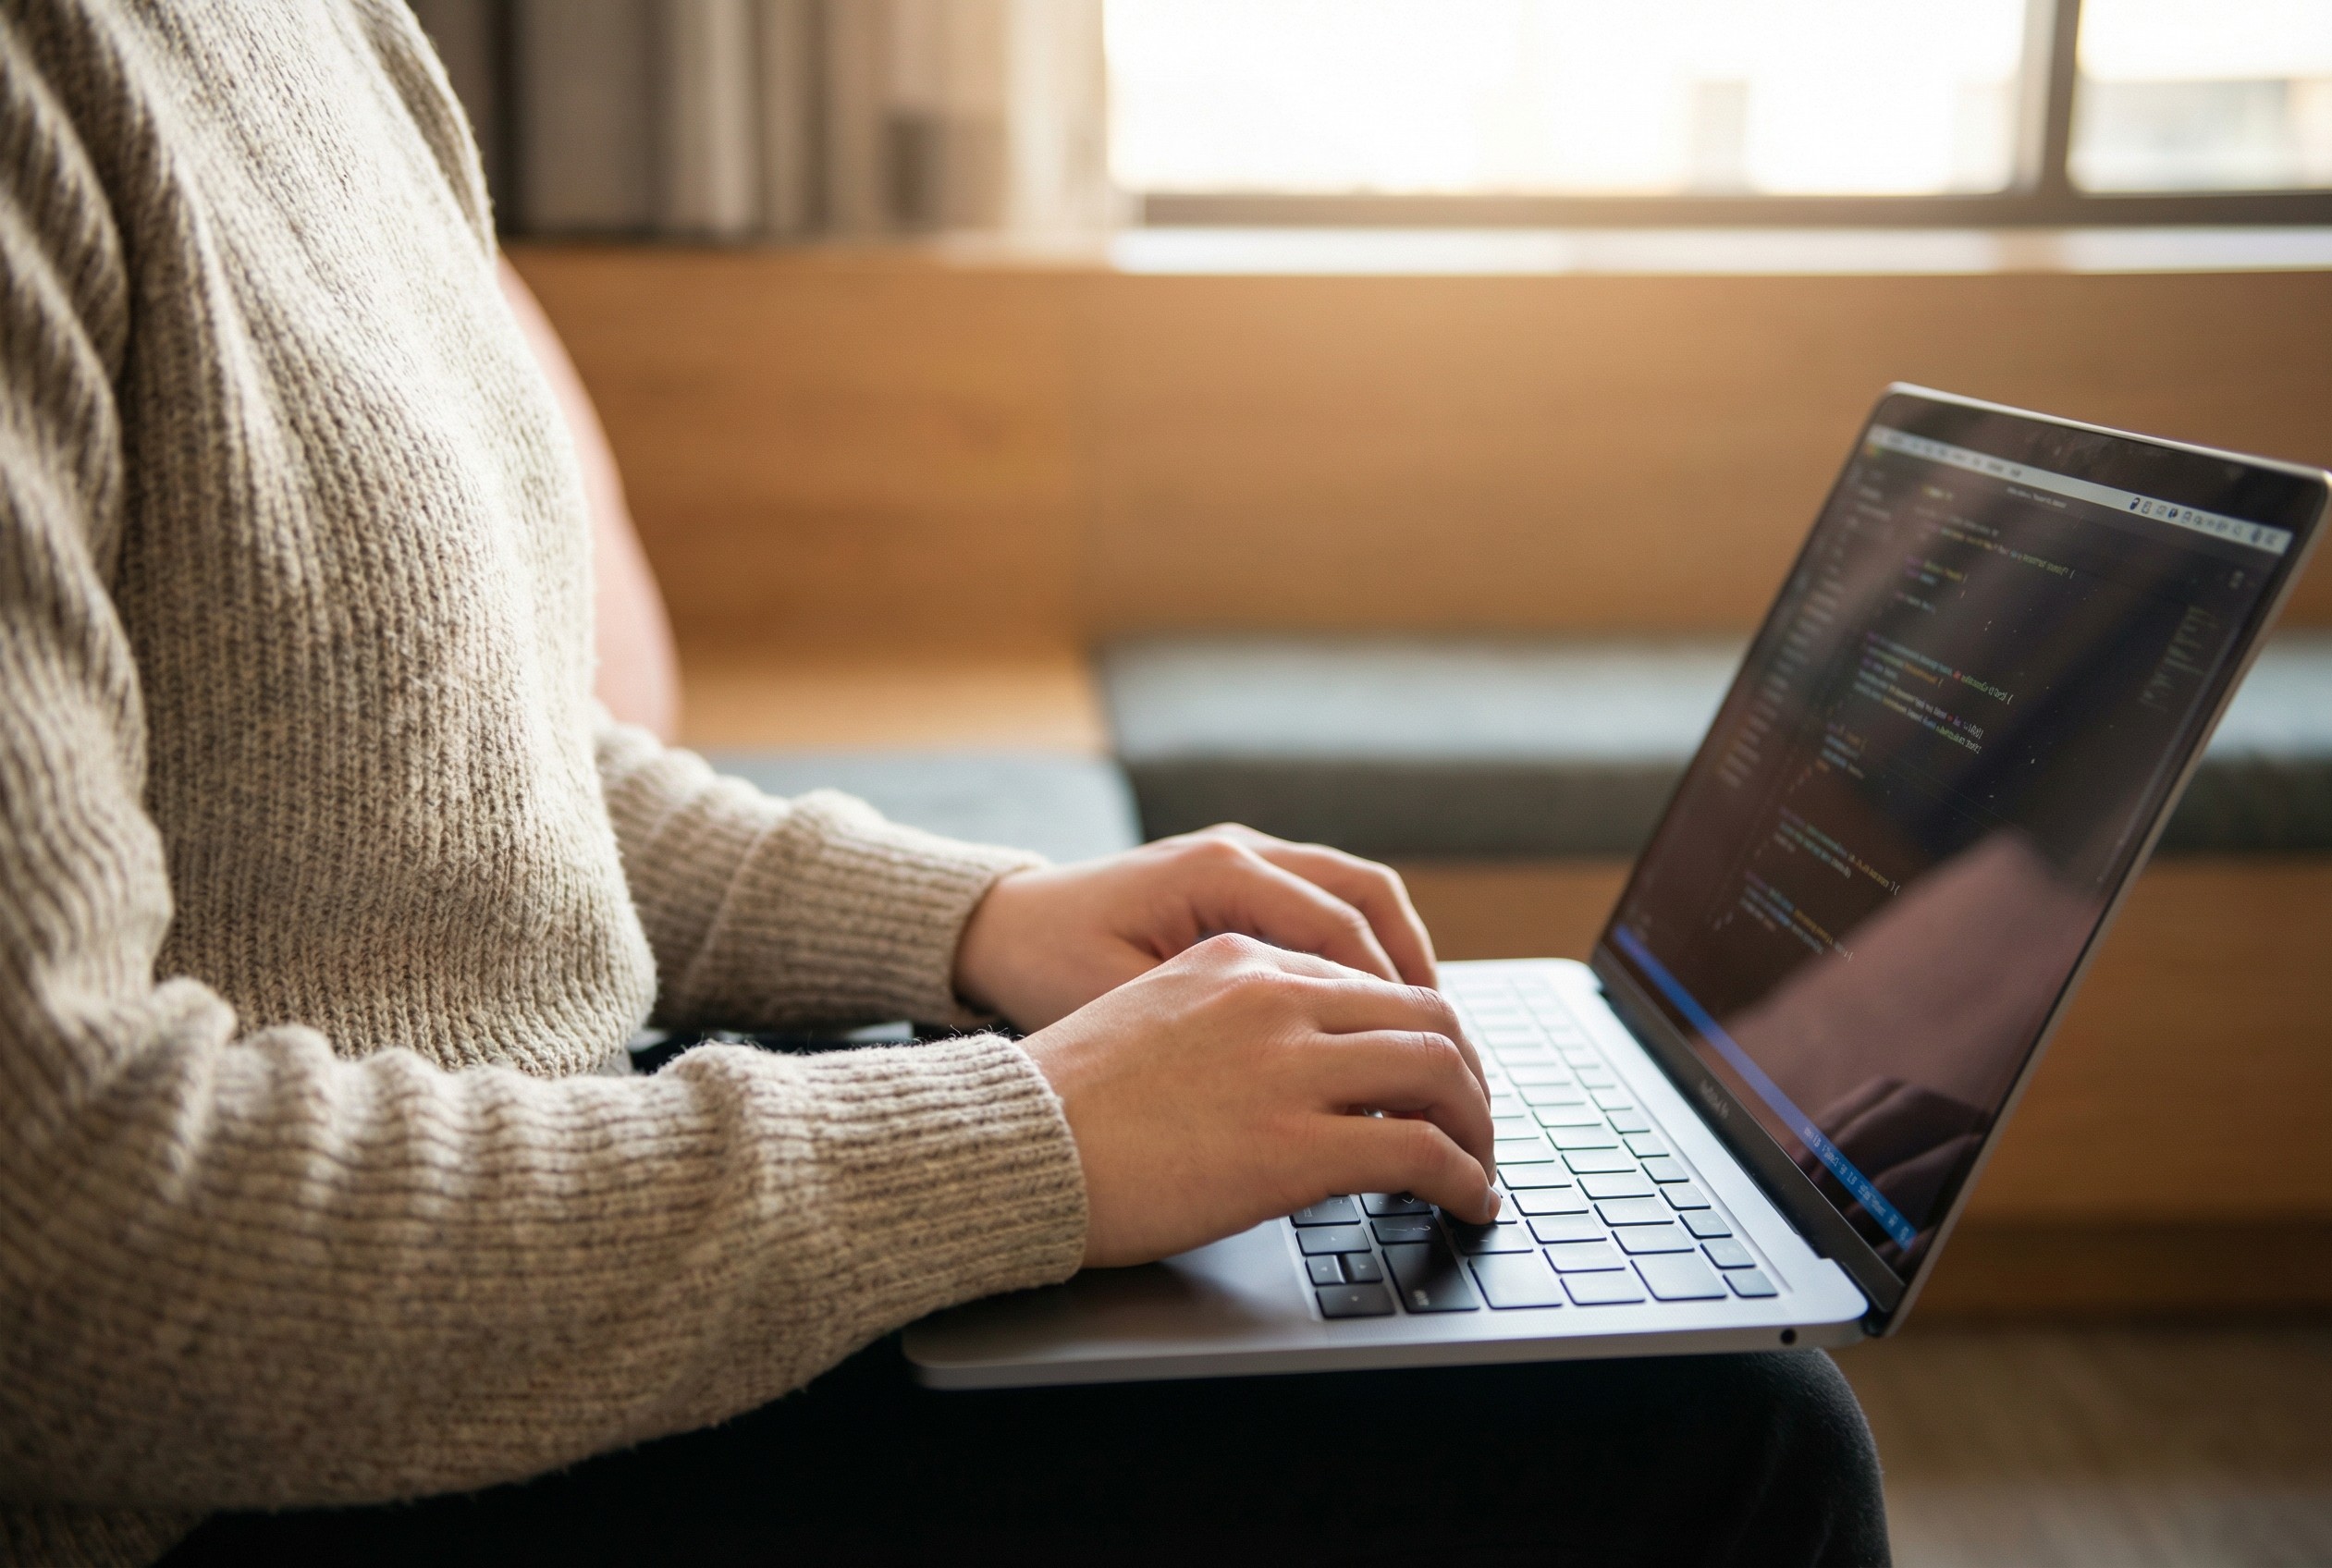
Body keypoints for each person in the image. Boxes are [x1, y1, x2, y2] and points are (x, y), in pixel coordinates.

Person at [0, 4, 1890, 1564]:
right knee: (1728, 1444)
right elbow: (63, 1226)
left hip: (568, 1185)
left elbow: (457, 775)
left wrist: (978, 923)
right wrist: (1024, 1141)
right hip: (259, 1467)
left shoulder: (334, 34)